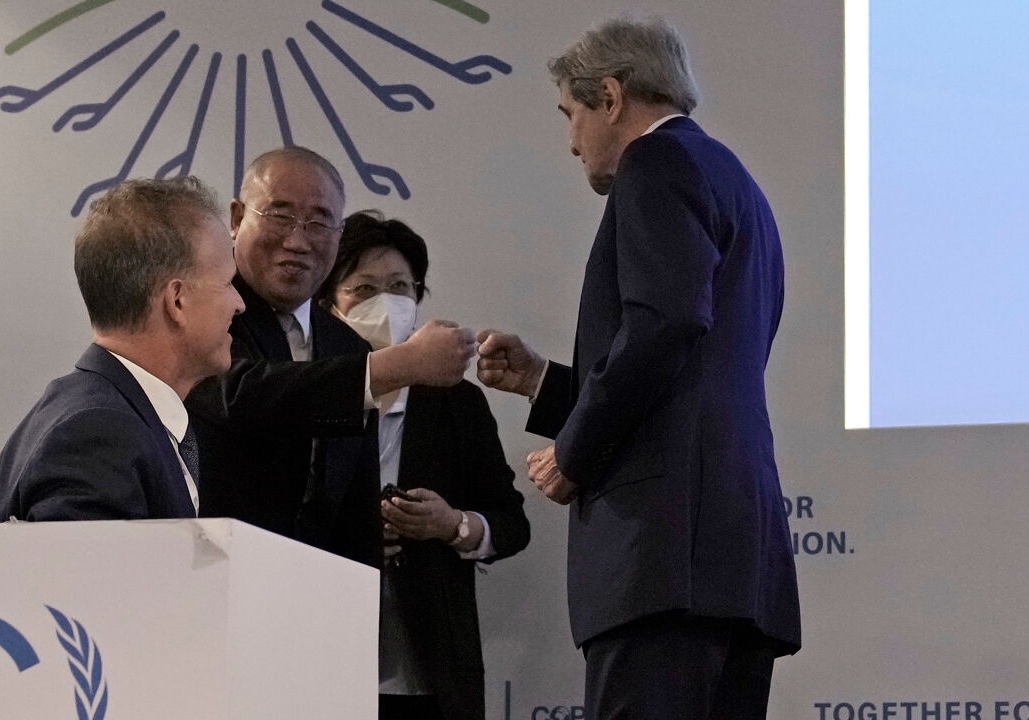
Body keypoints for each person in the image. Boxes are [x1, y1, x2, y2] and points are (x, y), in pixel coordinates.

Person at [475, 17, 801, 719]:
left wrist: (575, 452)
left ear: (611, 96)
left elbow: (665, 324)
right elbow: (692, 372)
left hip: (663, 560)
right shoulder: (738, 183)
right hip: (733, 562)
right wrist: (541, 381)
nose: (571, 142)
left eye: (571, 114)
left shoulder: (655, 162)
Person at [185, 147, 477, 567]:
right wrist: (402, 363)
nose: (297, 241)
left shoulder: (347, 345)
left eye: (320, 222)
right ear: (236, 218)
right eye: (280, 215)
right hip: (212, 572)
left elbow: (354, 510)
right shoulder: (202, 310)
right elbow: (241, 395)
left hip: (322, 586)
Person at [314, 210, 530, 720]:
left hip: (432, 672)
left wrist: (453, 525)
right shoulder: (307, 394)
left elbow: (511, 523)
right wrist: (352, 533)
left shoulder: (456, 402)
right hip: (320, 662)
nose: (385, 302)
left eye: (399, 287)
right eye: (364, 290)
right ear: (329, 305)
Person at [0, 176, 243, 522]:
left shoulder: (102, 415)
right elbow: (78, 560)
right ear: (177, 300)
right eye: (227, 283)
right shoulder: (99, 432)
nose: (239, 304)